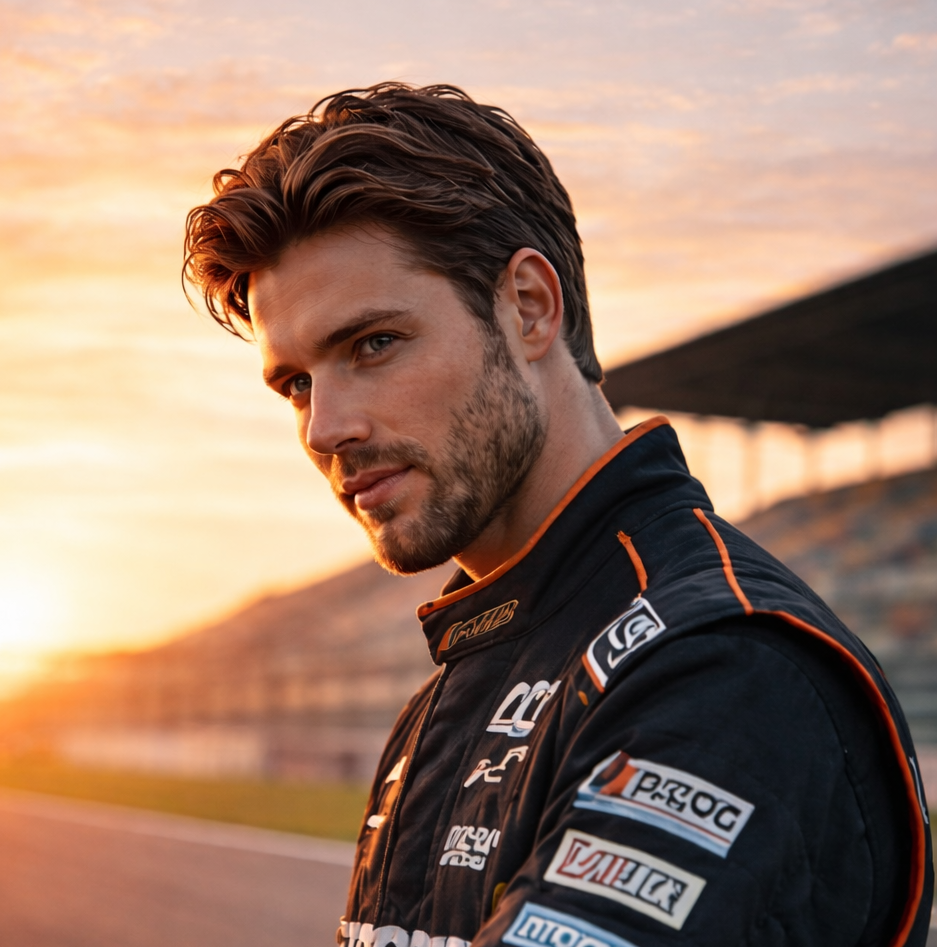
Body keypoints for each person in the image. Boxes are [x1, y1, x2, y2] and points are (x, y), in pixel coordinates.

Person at [184, 84, 933, 947]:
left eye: (372, 344)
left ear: (530, 307)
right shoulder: (460, 679)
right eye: (297, 384)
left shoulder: (721, 669)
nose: (326, 427)